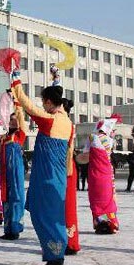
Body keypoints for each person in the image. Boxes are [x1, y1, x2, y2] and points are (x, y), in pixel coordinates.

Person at [11, 70, 74, 265]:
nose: (43, 106)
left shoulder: (50, 120)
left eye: (44, 102)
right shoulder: (67, 122)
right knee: (49, 214)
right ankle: (53, 256)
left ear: (48, 102)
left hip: (46, 177)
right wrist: (56, 80)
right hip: (56, 177)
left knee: (43, 215)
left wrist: (16, 81)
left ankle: (56, 257)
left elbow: (27, 104)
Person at [0, 106, 28, 241]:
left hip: (16, 173)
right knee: (6, 200)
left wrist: (18, 106)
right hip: (5, 174)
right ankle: (8, 230)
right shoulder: (3, 138)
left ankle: (16, 229)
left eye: (15, 120)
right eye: (11, 120)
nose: (13, 122)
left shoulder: (20, 135)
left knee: (16, 199)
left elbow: (22, 122)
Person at [84, 115, 121, 235]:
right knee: (107, 198)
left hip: (94, 173)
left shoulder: (91, 137)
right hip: (106, 173)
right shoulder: (108, 140)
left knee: (96, 198)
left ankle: (99, 222)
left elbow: (85, 153)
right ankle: (110, 222)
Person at [63, 101, 80, 255]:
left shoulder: (66, 124)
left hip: (65, 168)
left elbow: (68, 149)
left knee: (67, 205)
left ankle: (70, 241)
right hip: (61, 167)